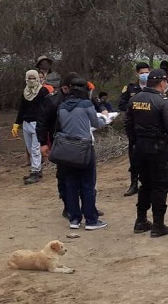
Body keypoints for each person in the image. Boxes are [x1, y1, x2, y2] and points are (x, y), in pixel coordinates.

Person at [124, 69, 168, 238]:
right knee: (160, 185)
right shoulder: (162, 101)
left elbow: (128, 123)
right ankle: (158, 224)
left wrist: (134, 141)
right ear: (162, 82)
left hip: (140, 148)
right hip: (158, 149)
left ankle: (141, 220)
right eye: (166, 82)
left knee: (145, 184)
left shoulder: (134, 99)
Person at [55, 78, 106, 230]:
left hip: (67, 149)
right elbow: (96, 123)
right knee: (88, 184)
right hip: (84, 148)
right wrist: (104, 118)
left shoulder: (62, 106)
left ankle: (74, 219)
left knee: (71, 185)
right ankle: (91, 220)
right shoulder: (86, 104)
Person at [38, 73, 81, 219]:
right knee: (64, 175)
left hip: (80, 142)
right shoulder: (52, 100)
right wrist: (43, 143)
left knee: (84, 175)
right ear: (65, 87)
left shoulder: (80, 97)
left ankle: (87, 205)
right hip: (60, 142)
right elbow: (42, 123)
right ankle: (67, 206)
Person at [119, 62, 151, 196]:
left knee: (150, 155)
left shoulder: (153, 87)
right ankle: (133, 184)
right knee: (134, 155)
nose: (144, 75)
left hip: (149, 126)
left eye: (146, 72)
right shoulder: (130, 88)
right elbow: (121, 105)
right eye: (142, 72)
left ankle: (148, 183)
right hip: (134, 127)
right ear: (137, 73)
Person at [13, 70, 50, 185]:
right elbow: (22, 108)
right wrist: (16, 123)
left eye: (34, 78)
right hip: (26, 123)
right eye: (30, 78)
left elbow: (46, 108)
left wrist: (45, 123)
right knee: (30, 149)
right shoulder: (25, 91)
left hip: (38, 123)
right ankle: (37, 170)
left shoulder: (43, 91)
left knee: (35, 149)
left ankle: (35, 172)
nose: (32, 80)